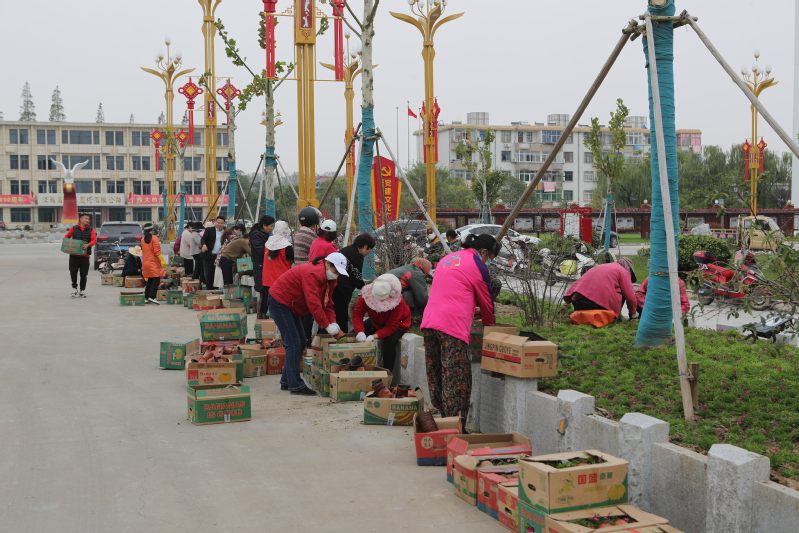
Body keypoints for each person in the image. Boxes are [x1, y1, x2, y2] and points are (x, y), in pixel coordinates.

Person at [421, 234, 499, 420]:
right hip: (452, 327)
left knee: (436, 372)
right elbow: (487, 301)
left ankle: (442, 419)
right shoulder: (477, 264)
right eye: (490, 257)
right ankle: (456, 424)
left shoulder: (448, 258)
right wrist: (490, 325)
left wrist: (471, 310)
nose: (488, 262)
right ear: (484, 252)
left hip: (430, 321)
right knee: (456, 377)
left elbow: (454, 291)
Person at [268, 252, 349, 396]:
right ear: (327, 263)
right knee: (293, 343)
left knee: (300, 342)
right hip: (281, 301)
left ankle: (287, 380)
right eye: (335, 270)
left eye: (339, 272)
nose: (336, 274)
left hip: (293, 305)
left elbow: (327, 303)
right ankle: (296, 385)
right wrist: (326, 325)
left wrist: (333, 322)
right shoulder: (312, 273)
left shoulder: (330, 280)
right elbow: (314, 303)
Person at [352, 274, 411, 384]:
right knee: (353, 335)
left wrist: (374, 336)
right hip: (376, 321)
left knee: (389, 342)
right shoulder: (366, 295)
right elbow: (357, 314)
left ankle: (386, 376)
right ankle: (353, 367)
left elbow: (391, 327)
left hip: (399, 324)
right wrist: (360, 331)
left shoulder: (398, 303)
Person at [564, 257, 638, 319]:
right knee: (623, 291)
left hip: (577, 301)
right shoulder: (624, 271)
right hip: (597, 305)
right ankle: (615, 317)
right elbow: (630, 297)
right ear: (630, 269)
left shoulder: (602, 266)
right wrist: (633, 313)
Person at [333, 232, 376, 330]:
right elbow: (356, 276)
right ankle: (341, 335)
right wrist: (366, 289)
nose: (368, 253)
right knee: (341, 316)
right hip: (341, 289)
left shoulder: (346, 250)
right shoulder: (356, 255)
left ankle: (326, 334)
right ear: (365, 246)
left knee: (334, 315)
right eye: (369, 250)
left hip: (334, 286)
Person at [64, 213, 97, 298]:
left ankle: (82, 290)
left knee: (84, 274)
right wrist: (69, 245)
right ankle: (74, 288)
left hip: (85, 256)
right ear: (81, 219)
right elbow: (66, 237)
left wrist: (88, 245)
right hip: (74, 256)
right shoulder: (74, 228)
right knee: (73, 272)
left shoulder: (91, 229)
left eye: (88, 219)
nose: (87, 220)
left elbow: (94, 240)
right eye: (86, 218)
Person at [262, 221, 294, 308]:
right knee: (280, 302)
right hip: (281, 278)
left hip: (268, 277)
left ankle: (262, 314)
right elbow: (295, 259)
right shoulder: (287, 246)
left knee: (266, 300)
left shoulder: (268, 243)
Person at [249, 215, 275, 318]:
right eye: (270, 226)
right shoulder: (256, 235)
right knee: (262, 292)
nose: (272, 229)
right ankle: (261, 316)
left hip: (265, 266)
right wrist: (272, 248)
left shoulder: (264, 235)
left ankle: (263, 315)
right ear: (264, 226)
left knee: (265, 292)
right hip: (260, 266)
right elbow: (260, 251)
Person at [141, 223, 166, 305]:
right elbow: (156, 251)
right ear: (152, 229)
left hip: (145, 262)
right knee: (156, 279)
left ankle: (146, 297)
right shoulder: (154, 238)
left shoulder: (143, 239)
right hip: (153, 262)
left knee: (150, 280)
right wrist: (162, 259)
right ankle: (152, 297)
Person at [200, 216, 226, 289]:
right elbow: (203, 239)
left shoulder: (226, 231)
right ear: (215, 222)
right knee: (209, 273)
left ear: (224, 224)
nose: (219, 224)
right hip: (210, 255)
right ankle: (210, 289)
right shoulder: (210, 230)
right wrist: (204, 245)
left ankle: (217, 289)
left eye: (221, 223)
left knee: (218, 274)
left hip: (221, 256)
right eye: (218, 223)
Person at [191, 222, 205, 287]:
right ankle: (202, 281)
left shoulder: (194, 234)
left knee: (197, 268)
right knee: (202, 268)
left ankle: (194, 280)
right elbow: (200, 243)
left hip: (195, 253)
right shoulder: (195, 235)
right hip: (197, 252)